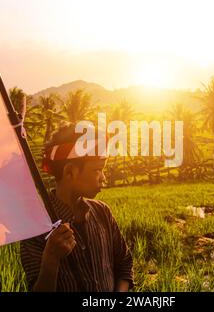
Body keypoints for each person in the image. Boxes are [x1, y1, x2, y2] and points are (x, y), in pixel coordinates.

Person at [20, 125, 134, 291]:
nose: (103, 177)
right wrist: (51, 258)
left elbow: (124, 263)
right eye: (97, 170)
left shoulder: (102, 212)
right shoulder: (36, 227)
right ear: (70, 172)